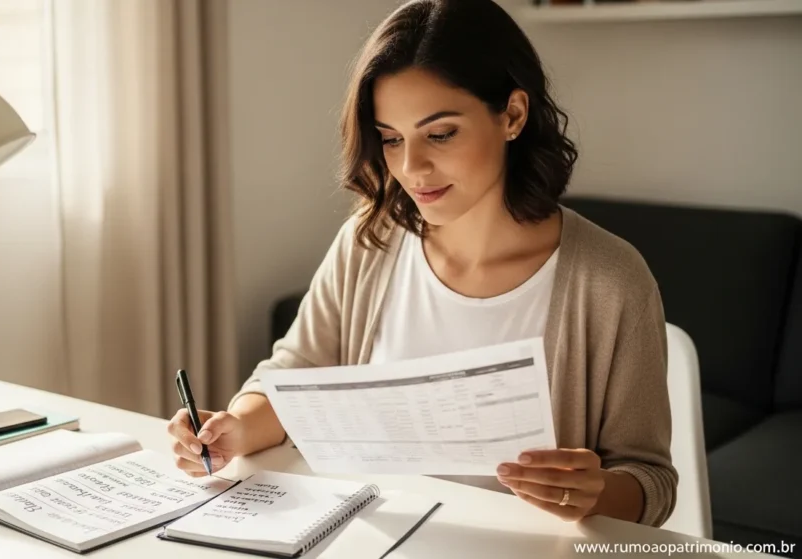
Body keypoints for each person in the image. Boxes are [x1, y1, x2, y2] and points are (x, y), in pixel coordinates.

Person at [167, 0, 677, 528]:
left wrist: (591, 493)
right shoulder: (369, 244)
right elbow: (290, 378)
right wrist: (235, 429)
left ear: (513, 115)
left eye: (440, 133)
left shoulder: (611, 280)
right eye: (391, 138)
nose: (412, 167)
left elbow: (651, 482)